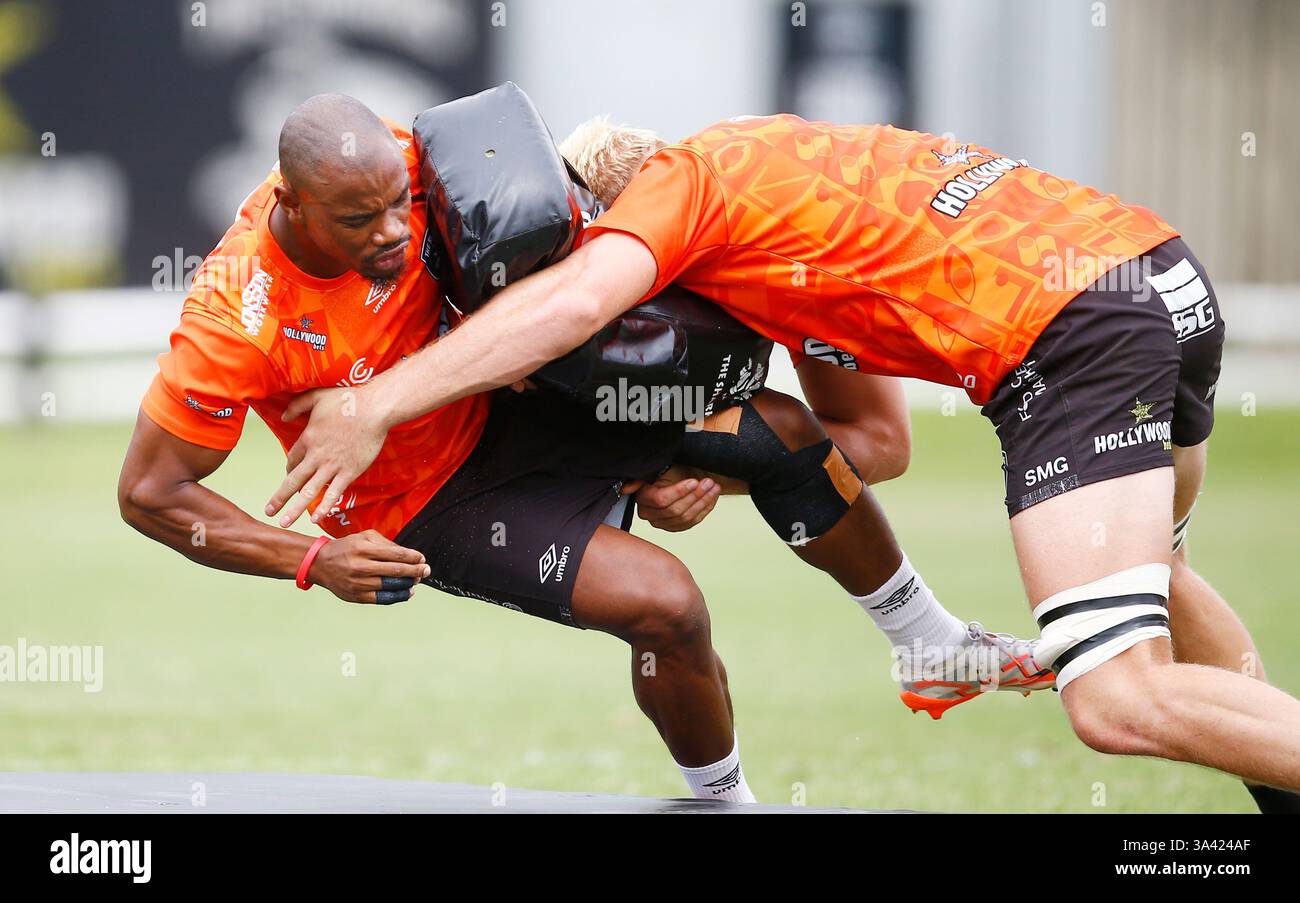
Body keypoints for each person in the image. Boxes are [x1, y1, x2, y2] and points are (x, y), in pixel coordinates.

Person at [268, 110, 1300, 808]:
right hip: (1159, 276)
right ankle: (937, 646)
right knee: (1158, 573)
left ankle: (936, 644)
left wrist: (382, 400)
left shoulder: (685, 187)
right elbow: (874, 445)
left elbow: (576, 302)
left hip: (1072, 332)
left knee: (1116, 698)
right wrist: (705, 466)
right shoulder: (792, 228)